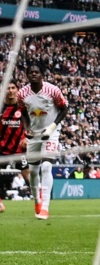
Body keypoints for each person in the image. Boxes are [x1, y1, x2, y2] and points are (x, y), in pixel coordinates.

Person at [18, 64, 69, 220]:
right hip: (34, 134)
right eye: (31, 72)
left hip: (51, 133)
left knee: (46, 166)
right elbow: (23, 113)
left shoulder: (53, 90)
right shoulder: (22, 93)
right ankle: (37, 201)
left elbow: (64, 109)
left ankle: (45, 208)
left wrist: (53, 127)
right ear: (27, 76)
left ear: (42, 75)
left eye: (37, 72)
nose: (34, 74)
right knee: (33, 172)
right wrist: (27, 128)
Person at [0, 83, 28, 213]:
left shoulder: (23, 107)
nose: (10, 91)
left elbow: (33, 125)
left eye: (13, 88)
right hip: (1, 149)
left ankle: (39, 203)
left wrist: (28, 138)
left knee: (28, 176)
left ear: (17, 90)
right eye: (8, 88)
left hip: (19, 150)